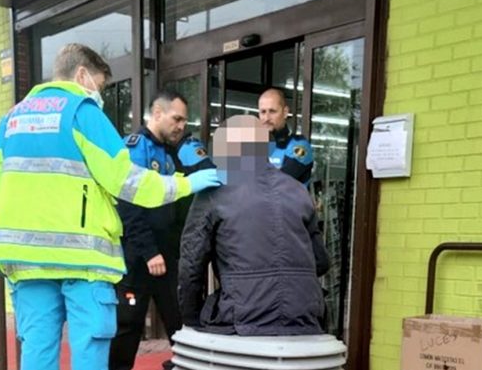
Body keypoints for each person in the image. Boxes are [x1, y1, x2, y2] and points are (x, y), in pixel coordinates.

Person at [0, 44, 220, 370]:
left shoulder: (9, 120)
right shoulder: (82, 112)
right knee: (90, 351)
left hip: (24, 262)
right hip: (83, 261)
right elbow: (127, 181)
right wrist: (187, 184)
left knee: (37, 352)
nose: (100, 95)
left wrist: (2, 242)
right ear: (81, 75)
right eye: (101, 86)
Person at [177, 115, 329, 336]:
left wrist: (190, 319)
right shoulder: (298, 191)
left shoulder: (213, 191)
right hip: (305, 317)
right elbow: (321, 262)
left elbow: (191, 266)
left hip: (241, 318)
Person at [109, 91, 214, 370]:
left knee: (182, 322)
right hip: (139, 255)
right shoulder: (134, 148)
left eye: (184, 120)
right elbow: (128, 206)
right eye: (176, 118)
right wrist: (149, 251)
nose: (181, 125)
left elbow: (181, 202)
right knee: (128, 327)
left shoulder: (174, 151)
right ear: (157, 113)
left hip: (168, 254)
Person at [258, 88, 314, 185]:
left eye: (272, 111)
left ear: (285, 112)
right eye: (263, 112)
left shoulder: (298, 146)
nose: (266, 118)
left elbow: (278, 183)